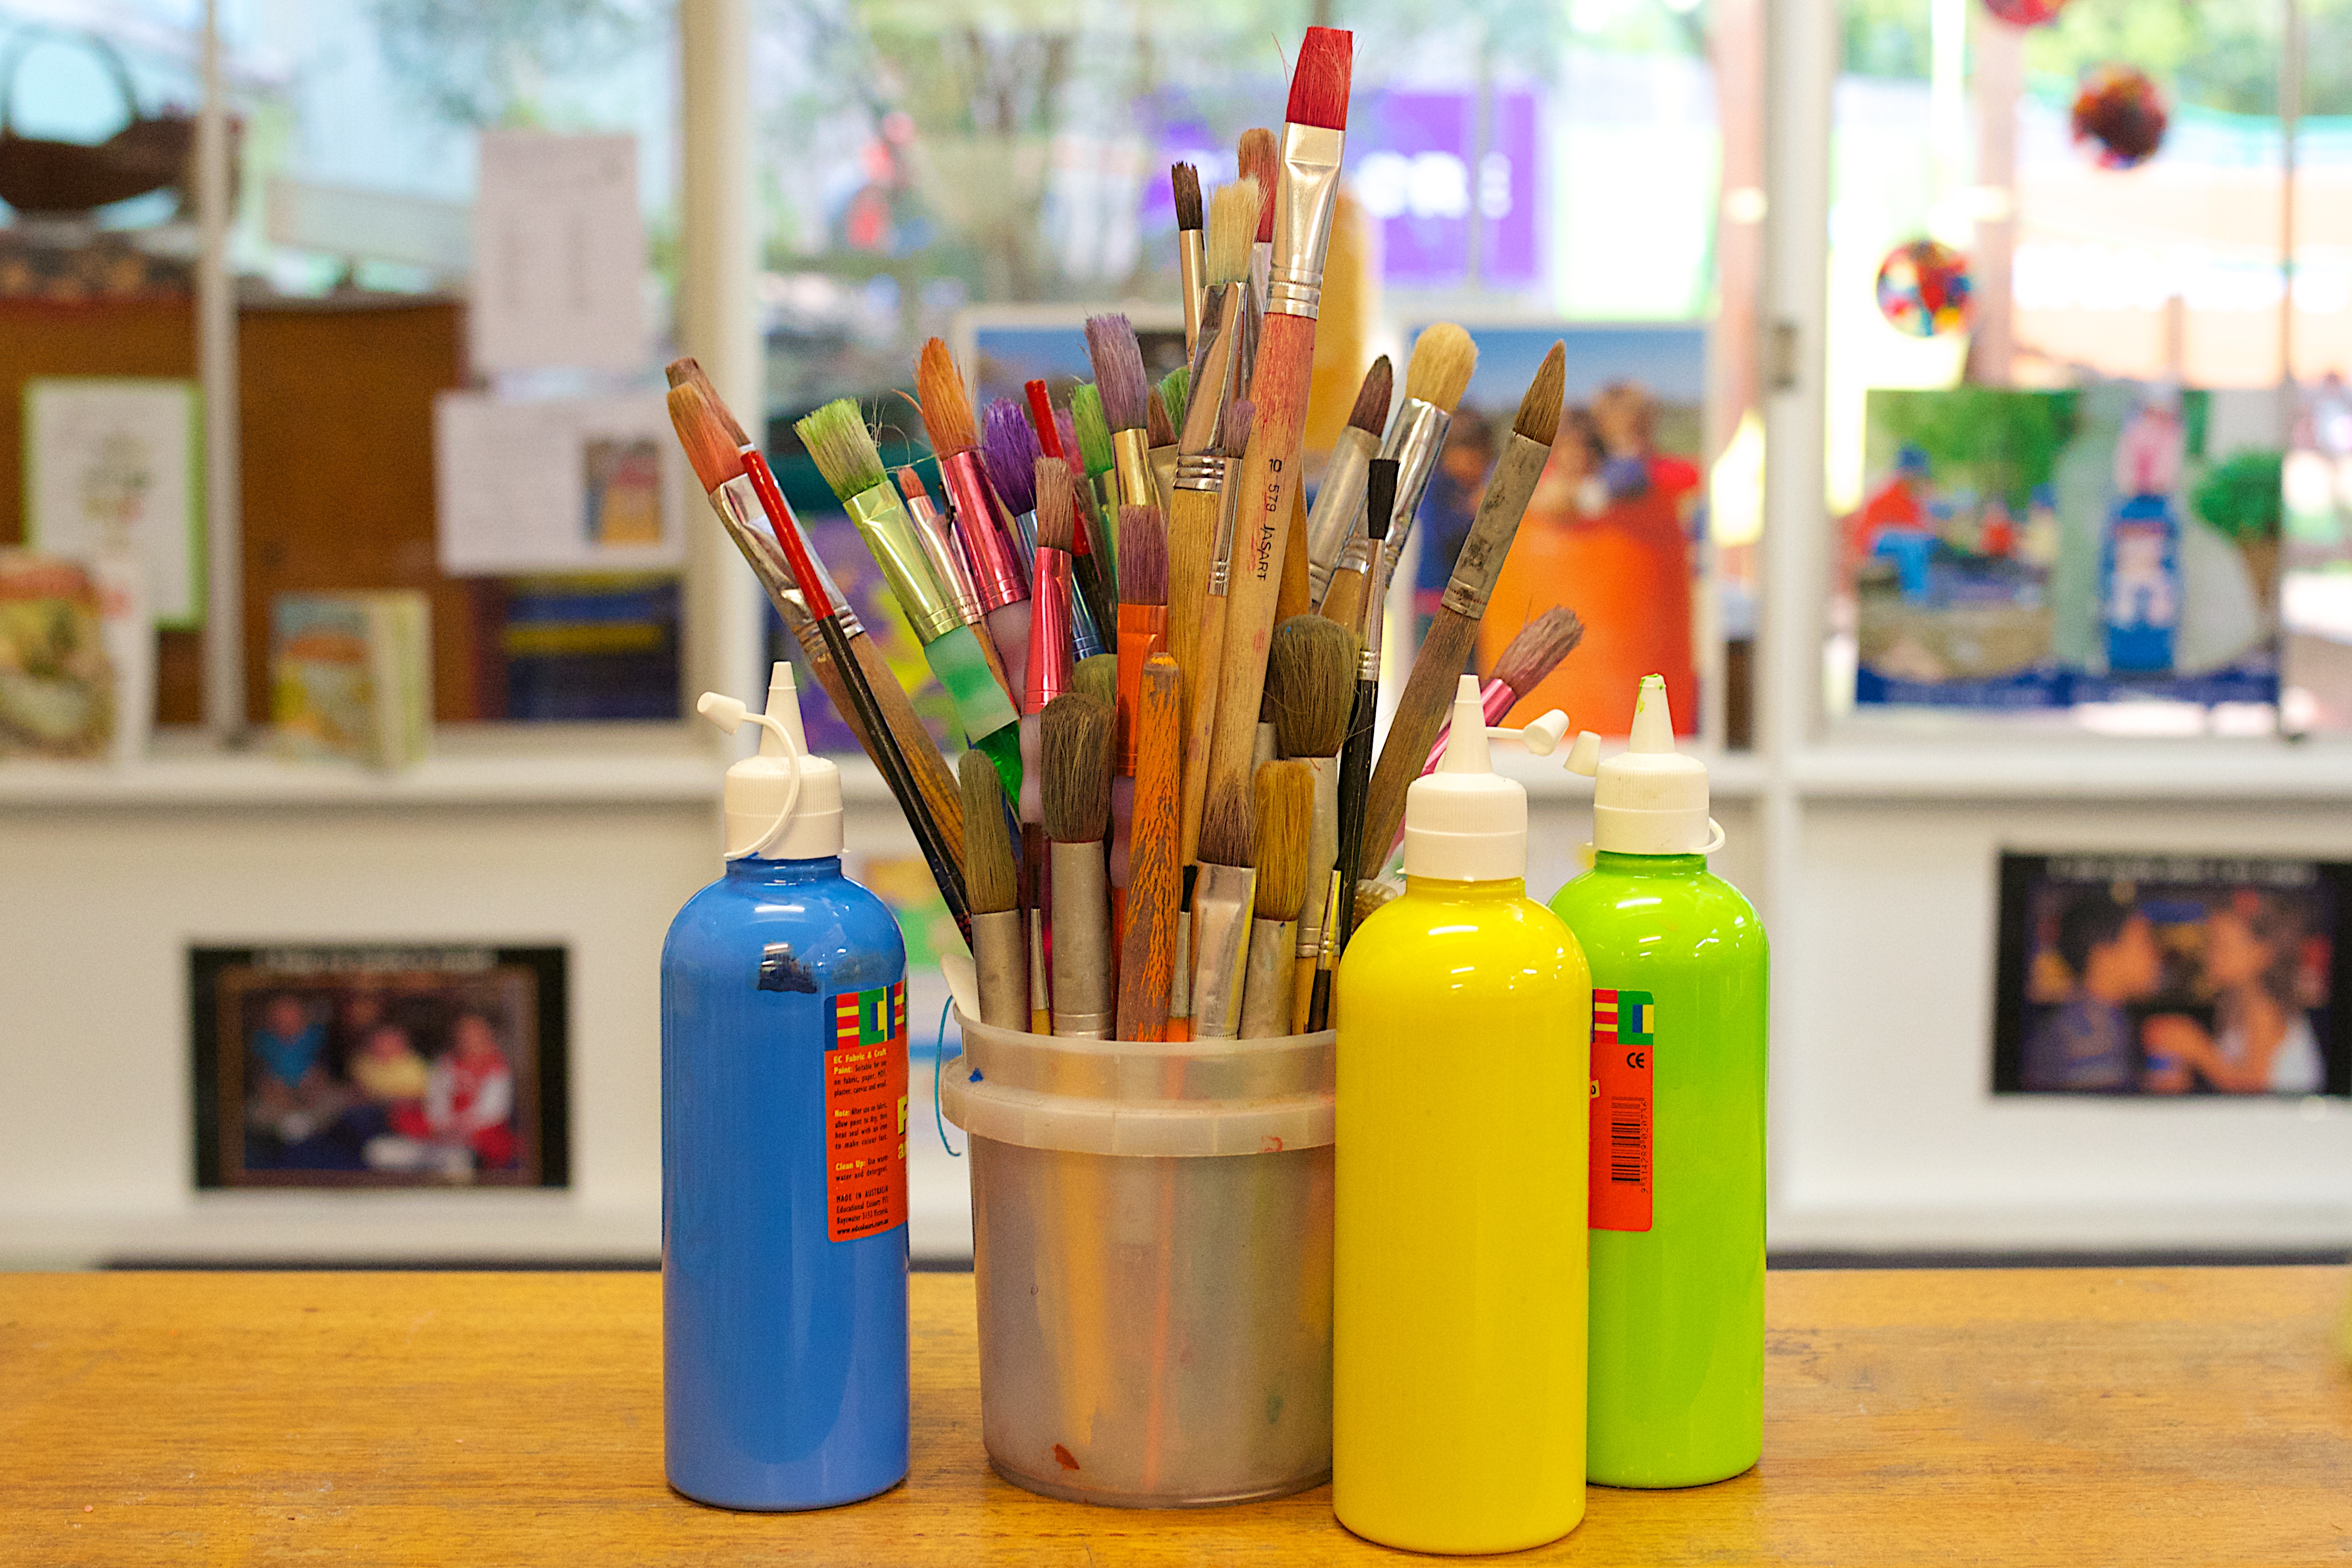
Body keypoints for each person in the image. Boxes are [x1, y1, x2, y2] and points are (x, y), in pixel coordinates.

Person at [2142, 899, 2325, 1095]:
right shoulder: (2236, 1005)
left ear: (2261, 953)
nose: (2210, 954)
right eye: (2210, 942)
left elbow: (2255, 1088)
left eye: (2222, 946)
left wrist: (2196, 1048)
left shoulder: (2265, 1009)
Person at [2020, 892, 2162, 1091]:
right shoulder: (2082, 1037)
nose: (2155, 955)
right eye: (2143, 943)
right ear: (2104, 956)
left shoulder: (2106, 1019)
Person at [392, 1010, 519, 1172]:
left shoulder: (497, 1067)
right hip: (445, 1127)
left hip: (478, 1128)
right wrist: (445, 1125)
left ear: (487, 1036)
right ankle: (435, 1154)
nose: (469, 1039)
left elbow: (495, 1110)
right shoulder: (445, 1063)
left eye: (475, 1034)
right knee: (403, 1117)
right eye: (464, 1033)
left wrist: (466, 1126)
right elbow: (436, 1099)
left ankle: (459, 1156)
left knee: (496, 1142)